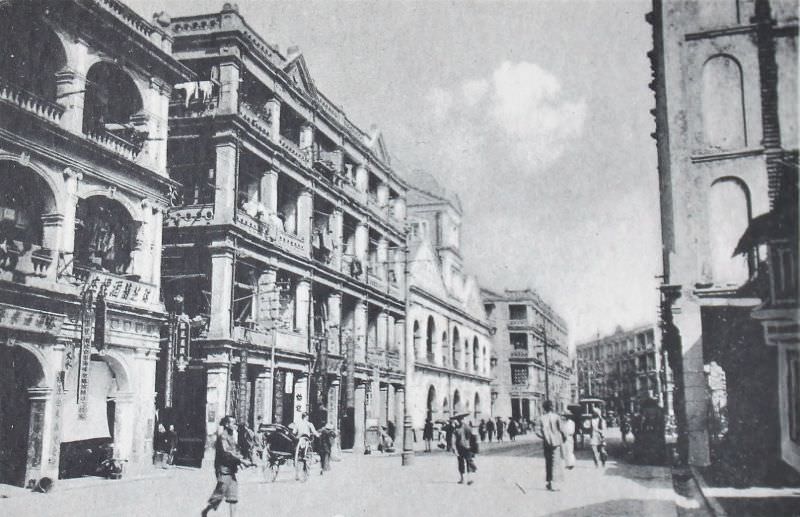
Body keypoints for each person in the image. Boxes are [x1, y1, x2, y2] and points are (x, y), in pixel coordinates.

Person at [202, 416, 250, 517]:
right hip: (223, 470)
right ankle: (206, 511)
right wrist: (241, 460)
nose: (235, 425)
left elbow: (235, 451)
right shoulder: (223, 437)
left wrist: (241, 461)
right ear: (226, 425)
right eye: (232, 423)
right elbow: (226, 454)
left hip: (231, 471)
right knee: (219, 495)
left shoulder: (232, 436)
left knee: (233, 497)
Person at [536, 400, 565, 491]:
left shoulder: (541, 418)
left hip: (546, 443)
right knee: (555, 462)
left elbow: (537, 431)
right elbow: (562, 429)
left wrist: (545, 437)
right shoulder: (556, 417)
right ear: (552, 407)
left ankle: (549, 482)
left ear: (544, 408)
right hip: (556, 442)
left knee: (548, 462)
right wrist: (564, 437)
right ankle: (553, 484)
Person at [450, 414, 477, 485]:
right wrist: (454, 449)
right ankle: (462, 478)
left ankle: (469, 479)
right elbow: (453, 439)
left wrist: (474, 448)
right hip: (460, 448)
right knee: (461, 463)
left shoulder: (468, 427)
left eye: (461, 419)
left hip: (468, 448)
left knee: (469, 463)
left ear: (463, 419)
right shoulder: (455, 429)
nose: (460, 421)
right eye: (459, 420)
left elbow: (473, 438)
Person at [293, 412, 318, 480]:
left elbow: (294, 432)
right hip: (305, 440)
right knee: (308, 449)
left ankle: (297, 474)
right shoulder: (309, 424)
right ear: (306, 417)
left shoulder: (297, 423)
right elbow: (314, 431)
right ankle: (306, 473)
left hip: (298, 440)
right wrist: (317, 435)